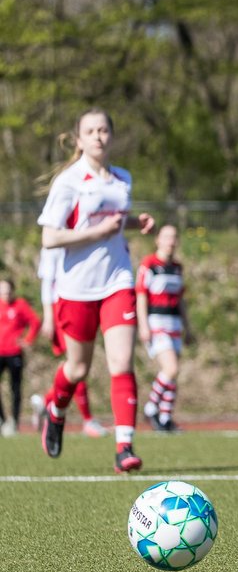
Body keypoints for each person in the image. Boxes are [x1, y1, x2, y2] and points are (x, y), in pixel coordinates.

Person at [35, 108, 154, 472]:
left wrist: (134, 222)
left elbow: (112, 223)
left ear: (111, 136)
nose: (99, 136)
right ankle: (56, 409)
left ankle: (124, 447)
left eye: (104, 130)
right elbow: (50, 236)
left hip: (117, 281)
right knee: (78, 368)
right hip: (76, 288)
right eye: (91, 131)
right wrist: (94, 234)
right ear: (79, 139)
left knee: (121, 362)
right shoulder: (70, 182)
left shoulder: (122, 179)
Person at [31, 247, 108, 438]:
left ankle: (45, 401)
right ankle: (88, 420)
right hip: (63, 308)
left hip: (80, 303)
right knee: (77, 366)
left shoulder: (82, 233)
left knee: (76, 367)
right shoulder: (55, 236)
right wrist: (49, 316)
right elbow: (47, 282)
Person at [137, 224, 191, 432]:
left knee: (172, 374)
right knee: (171, 369)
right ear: (157, 240)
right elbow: (141, 295)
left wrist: (188, 327)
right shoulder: (149, 264)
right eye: (166, 236)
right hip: (156, 323)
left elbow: (181, 300)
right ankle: (151, 408)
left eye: (174, 236)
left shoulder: (177, 267)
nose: (171, 241)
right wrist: (143, 325)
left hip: (174, 323)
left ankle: (166, 418)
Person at [0, 278, 40, 437]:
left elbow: (35, 322)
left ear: (13, 291)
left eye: (8, 291)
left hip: (14, 353)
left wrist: (28, 339)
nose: (5, 295)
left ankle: (14, 422)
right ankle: (2, 420)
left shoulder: (20, 305)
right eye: (2, 292)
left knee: (15, 388)